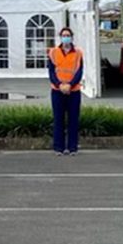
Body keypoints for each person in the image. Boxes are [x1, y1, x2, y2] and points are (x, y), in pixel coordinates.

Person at [48, 26, 83, 156]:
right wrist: (59, 85)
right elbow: (51, 72)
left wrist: (70, 85)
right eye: (64, 35)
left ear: (72, 37)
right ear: (60, 37)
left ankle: (72, 147)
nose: (66, 37)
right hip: (57, 91)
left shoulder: (78, 53)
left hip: (73, 91)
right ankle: (59, 147)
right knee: (58, 120)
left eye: (68, 35)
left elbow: (79, 71)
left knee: (73, 120)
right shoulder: (53, 52)